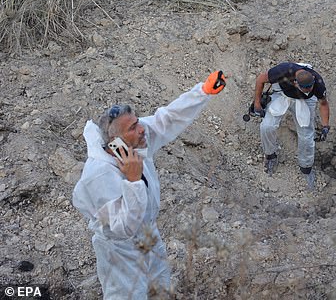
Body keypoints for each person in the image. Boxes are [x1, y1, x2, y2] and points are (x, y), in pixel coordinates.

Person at [72, 71, 226, 299]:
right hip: (120, 250)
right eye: (132, 128)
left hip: (149, 235)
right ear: (115, 142)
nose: (141, 129)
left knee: (160, 288)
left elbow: (168, 119)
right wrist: (134, 182)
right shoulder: (99, 175)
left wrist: (202, 92)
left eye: (137, 122)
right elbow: (124, 228)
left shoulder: (135, 143)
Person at [253, 62, 330, 189]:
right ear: (295, 82)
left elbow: (323, 104)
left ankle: (306, 168)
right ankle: (270, 156)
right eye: (305, 88)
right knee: (267, 126)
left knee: (306, 136)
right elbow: (261, 79)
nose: (309, 90)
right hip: (283, 94)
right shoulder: (282, 71)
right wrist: (257, 104)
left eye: (311, 87)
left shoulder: (318, 84)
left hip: (305, 100)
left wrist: (325, 126)